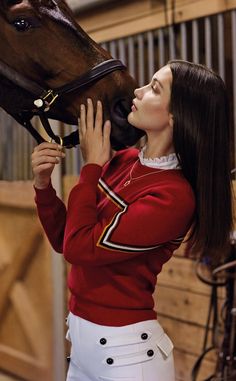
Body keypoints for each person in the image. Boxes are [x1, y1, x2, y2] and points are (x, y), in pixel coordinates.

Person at [31, 60, 233, 381]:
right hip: (84, 349)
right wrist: (43, 187)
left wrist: (93, 167)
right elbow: (65, 240)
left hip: (128, 361)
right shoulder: (125, 161)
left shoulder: (174, 196)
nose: (137, 91)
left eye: (154, 88)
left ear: (176, 116)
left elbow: (80, 249)